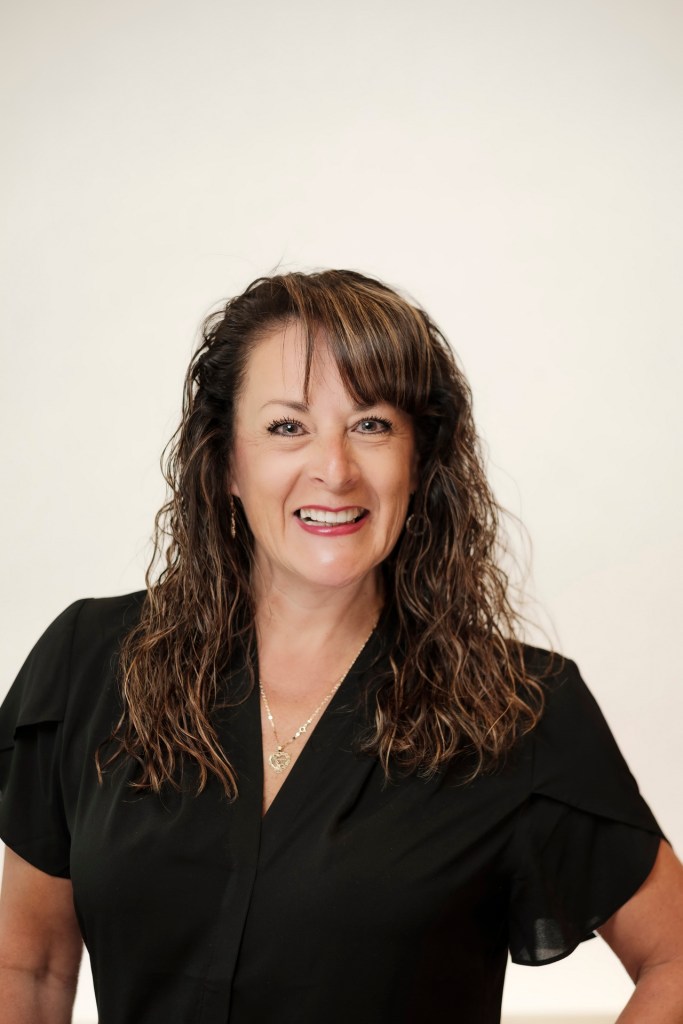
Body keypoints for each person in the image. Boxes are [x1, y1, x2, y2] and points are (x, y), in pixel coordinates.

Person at [0, 269, 681, 1024]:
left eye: (372, 424)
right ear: (226, 461)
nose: (334, 469)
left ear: (419, 462)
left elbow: (675, 959)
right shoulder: (88, 663)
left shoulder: (518, 709)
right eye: (288, 426)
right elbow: (29, 967)